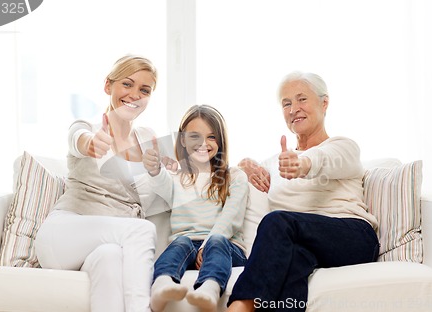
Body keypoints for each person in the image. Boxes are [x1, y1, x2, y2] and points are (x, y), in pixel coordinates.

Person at [226, 71, 380, 311]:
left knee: (277, 221)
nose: (293, 108)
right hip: (305, 244)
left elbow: (322, 158)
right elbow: (235, 174)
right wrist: (244, 165)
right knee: (292, 261)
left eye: (301, 99)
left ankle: (239, 307)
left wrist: (303, 163)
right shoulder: (274, 162)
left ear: (324, 103)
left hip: (352, 237)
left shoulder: (343, 146)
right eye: (286, 103)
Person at [34, 54, 169, 312]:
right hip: (62, 236)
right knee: (141, 230)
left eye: (144, 89)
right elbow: (78, 138)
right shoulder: (89, 127)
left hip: (102, 247)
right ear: (108, 86)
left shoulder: (148, 138)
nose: (134, 95)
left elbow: (160, 199)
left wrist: (156, 173)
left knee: (111, 259)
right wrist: (91, 143)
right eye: (127, 84)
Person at [143, 105, 249, 312]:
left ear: (220, 141)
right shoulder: (176, 178)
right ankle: (162, 284)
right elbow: (161, 184)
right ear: (182, 140)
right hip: (188, 247)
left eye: (211, 137)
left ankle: (209, 289)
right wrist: (154, 168)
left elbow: (231, 218)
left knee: (217, 241)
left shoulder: (235, 176)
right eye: (194, 137)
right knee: (180, 242)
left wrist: (207, 245)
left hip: (226, 246)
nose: (203, 143)